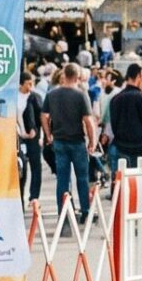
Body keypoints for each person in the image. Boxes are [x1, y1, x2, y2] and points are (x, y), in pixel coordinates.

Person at [43, 63, 96, 219]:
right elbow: (88, 121)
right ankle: (85, 211)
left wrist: (48, 134)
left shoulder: (52, 95)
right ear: (78, 77)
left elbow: (44, 115)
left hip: (59, 140)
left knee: (63, 179)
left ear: (64, 75)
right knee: (82, 177)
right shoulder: (81, 95)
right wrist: (92, 142)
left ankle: (64, 211)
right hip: (77, 140)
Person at [108, 64, 142, 170]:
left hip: (121, 146)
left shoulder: (115, 99)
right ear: (139, 76)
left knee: (123, 181)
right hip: (140, 146)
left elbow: (114, 124)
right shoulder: (141, 97)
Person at [19, 69, 47, 200]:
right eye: (28, 83)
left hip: (33, 137)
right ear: (21, 84)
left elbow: (41, 116)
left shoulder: (35, 97)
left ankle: (34, 195)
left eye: (32, 83)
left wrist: (40, 134)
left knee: (36, 167)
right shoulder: (15, 97)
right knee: (21, 167)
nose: (31, 86)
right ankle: (20, 194)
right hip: (19, 136)